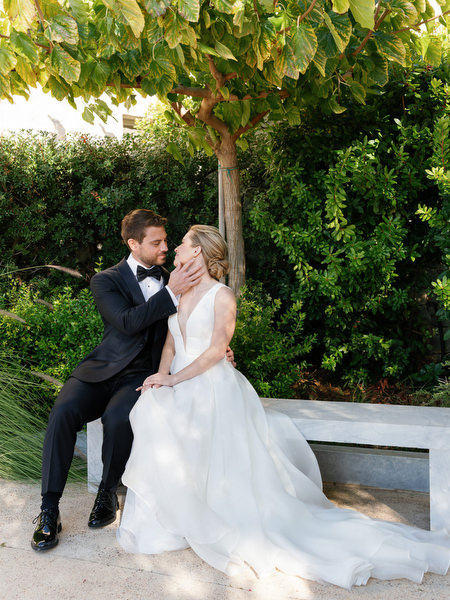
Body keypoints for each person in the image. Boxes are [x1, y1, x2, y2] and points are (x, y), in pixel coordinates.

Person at [117, 224, 450, 589]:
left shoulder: (222, 296)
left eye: (181, 243)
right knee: (150, 407)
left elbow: (215, 351)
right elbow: (169, 344)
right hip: (180, 378)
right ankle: (174, 516)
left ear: (197, 252)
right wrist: (160, 377)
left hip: (211, 385)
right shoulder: (177, 293)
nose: (176, 247)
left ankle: (209, 514)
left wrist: (175, 381)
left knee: (194, 438)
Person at [31, 209, 234, 552]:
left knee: (119, 418)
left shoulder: (178, 277)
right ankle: (49, 509)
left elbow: (200, 319)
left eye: (168, 241)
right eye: (157, 242)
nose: (165, 247)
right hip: (99, 370)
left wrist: (221, 351)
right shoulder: (105, 280)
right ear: (133, 243)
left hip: (141, 375)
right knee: (62, 412)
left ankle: (107, 494)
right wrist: (169, 294)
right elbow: (126, 322)